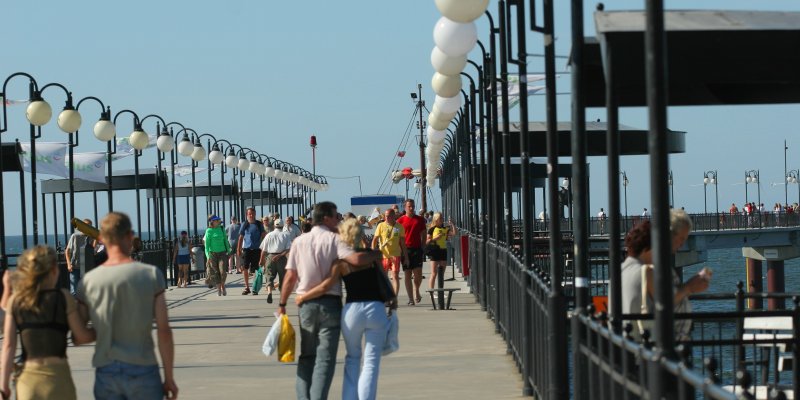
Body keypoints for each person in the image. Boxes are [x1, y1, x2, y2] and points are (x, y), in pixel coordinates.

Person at [279, 201, 381, 400]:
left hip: (305, 305)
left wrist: (282, 304)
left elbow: (290, 277)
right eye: (335, 216)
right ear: (326, 218)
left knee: (306, 356)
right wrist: (377, 254)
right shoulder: (335, 240)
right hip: (329, 305)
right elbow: (356, 260)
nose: (338, 220)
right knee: (325, 359)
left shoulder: (299, 242)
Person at [76, 212, 177, 399]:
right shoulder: (151, 275)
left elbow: (79, 336)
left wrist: (105, 329)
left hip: (106, 371)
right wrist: (169, 377)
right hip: (144, 368)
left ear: (102, 239)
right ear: (130, 236)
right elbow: (164, 330)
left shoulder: (88, 282)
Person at [0, 246, 95, 400]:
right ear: (54, 271)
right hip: (58, 379)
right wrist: (103, 328)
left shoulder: (16, 301)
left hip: (28, 382)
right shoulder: (63, 297)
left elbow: (8, 346)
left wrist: (3, 388)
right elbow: (81, 336)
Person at [643, 209, 711, 341]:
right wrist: (689, 287)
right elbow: (662, 302)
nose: (681, 244)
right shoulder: (653, 265)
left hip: (675, 338)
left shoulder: (660, 263)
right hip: (666, 341)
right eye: (681, 239)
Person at [619, 221, 652, 340]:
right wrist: (688, 288)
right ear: (646, 249)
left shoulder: (620, 272)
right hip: (642, 347)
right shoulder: (646, 272)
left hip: (622, 341)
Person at [371, 209, 408, 297]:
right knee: (384, 277)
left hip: (395, 254)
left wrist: (406, 257)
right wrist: (372, 252)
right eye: (386, 216)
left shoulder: (399, 227)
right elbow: (374, 240)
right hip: (383, 255)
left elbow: (403, 243)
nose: (387, 218)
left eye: (389, 216)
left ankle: (394, 297)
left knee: (395, 276)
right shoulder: (380, 225)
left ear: (393, 216)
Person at [397, 199, 427, 306]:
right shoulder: (400, 221)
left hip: (417, 249)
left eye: (413, 206)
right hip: (405, 250)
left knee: (418, 274)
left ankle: (416, 289)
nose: (411, 208)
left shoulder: (419, 220)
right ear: (405, 207)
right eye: (409, 206)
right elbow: (397, 237)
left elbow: (424, 234)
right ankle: (410, 299)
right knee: (407, 274)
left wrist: (423, 247)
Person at [259, 219, 291, 303]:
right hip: (281, 257)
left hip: (270, 257)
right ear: (283, 226)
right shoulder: (286, 235)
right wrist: (279, 255)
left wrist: (261, 260)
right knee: (283, 277)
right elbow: (288, 249)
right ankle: (282, 296)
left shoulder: (269, 235)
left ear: (274, 226)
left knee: (269, 276)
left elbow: (263, 250)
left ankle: (269, 292)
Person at [238, 207, 266, 295]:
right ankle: (246, 287)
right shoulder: (244, 224)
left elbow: (263, 235)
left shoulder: (259, 224)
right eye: (249, 214)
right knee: (245, 268)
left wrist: (263, 248)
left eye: (252, 214)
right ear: (247, 214)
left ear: (255, 214)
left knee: (256, 269)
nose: (251, 215)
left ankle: (255, 287)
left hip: (257, 249)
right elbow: (241, 237)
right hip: (246, 249)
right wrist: (238, 249)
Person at [426, 212, 455, 291]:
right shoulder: (432, 229)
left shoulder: (445, 228)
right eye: (440, 218)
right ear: (436, 220)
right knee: (434, 273)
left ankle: (441, 292)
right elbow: (427, 241)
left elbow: (453, 234)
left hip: (443, 251)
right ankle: (431, 291)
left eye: (442, 218)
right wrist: (435, 238)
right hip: (434, 251)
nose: (442, 220)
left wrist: (452, 224)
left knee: (441, 274)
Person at [65, 218, 94, 296]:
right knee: (74, 290)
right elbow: (67, 250)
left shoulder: (91, 237)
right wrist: (68, 264)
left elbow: (93, 250)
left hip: (86, 267)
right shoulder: (75, 236)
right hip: (75, 266)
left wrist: (95, 239)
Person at [204, 215, 231, 296]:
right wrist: (208, 256)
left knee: (222, 272)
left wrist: (228, 251)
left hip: (222, 253)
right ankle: (219, 289)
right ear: (212, 222)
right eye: (216, 220)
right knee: (215, 273)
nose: (218, 221)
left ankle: (223, 286)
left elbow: (226, 241)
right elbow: (207, 246)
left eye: (218, 220)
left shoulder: (222, 229)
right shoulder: (209, 231)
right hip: (212, 254)